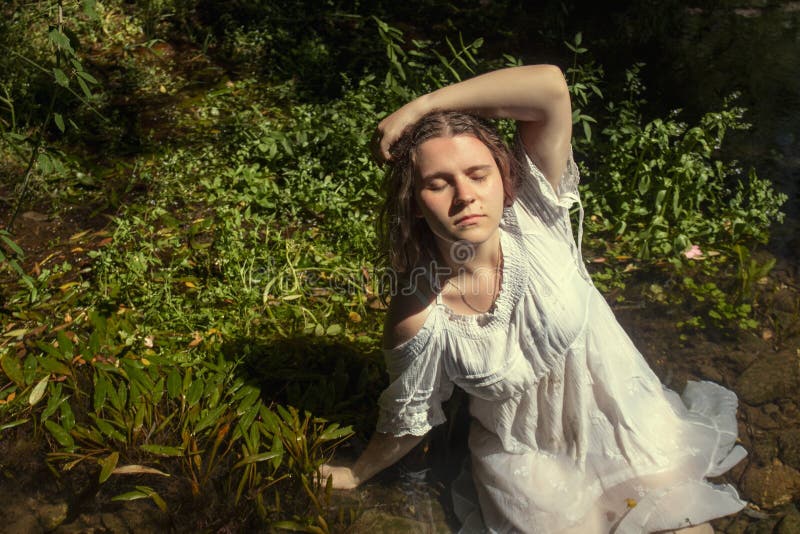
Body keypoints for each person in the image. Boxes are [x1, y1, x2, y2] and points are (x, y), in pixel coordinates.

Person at [321, 65, 747, 533]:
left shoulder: (535, 210)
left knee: (688, 527)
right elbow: (410, 416)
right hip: (529, 453)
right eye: (438, 183)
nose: (465, 196)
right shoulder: (421, 313)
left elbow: (549, 87)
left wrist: (422, 107)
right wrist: (356, 473)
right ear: (414, 201)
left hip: (621, 416)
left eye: (477, 174)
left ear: (503, 179)